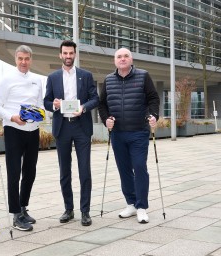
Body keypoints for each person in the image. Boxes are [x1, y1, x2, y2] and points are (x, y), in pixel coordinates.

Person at [98, 47, 160, 224]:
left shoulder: (143, 76)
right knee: (124, 170)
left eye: (126, 56)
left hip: (139, 132)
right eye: (119, 56)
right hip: (118, 134)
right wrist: (106, 119)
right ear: (114, 60)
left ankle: (142, 207)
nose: (122, 59)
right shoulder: (108, 80)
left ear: (131, 59)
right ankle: (131, 203)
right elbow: (102, 105)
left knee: (139, 167)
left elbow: (153, 98)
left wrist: (153, 115)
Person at [44, 40, 99, 226]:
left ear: (75, 54)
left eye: (71, 53)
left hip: (81, 126)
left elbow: (95, 99)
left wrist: (83, 107)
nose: (68, 56)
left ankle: (85, 211)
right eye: (65, 53)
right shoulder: (52, 77)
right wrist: (54, 104)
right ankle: (69, 209)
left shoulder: (86, 75)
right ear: (60, 55)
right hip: (62, 127)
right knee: (64, 171)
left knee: (85, 170)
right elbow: (46, 101)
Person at [0, 45, 44, 232]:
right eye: (20, 58)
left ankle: (23, 207)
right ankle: (15, 214)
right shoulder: (7, 79)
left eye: (27, 59)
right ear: (16, 59)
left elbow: (39, 105)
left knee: (30, 172)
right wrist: (12, 117)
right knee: (14, 173)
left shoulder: (37, 80)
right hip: (14, 129)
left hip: (33, 130)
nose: (23, 62)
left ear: (31, 60)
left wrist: (40, 114)